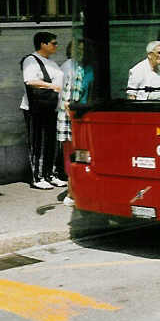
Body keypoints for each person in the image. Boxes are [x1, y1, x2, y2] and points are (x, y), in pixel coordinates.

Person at [20, 31, 64, 190]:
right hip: (36, 109)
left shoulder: (50, 62)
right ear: (43, 44)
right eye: (53, 43)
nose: (56, 46)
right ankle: (37, 177)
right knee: (38, 142)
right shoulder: (31, 61)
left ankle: (50, 174)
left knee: (51, 142)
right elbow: (30, 80)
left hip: (51, 107)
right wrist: (51, 86)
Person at [57, 39, 93, 207]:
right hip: (71, 116)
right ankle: (71, 193)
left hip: (87, 116)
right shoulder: (68, 67)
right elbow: (63, 96)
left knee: (84, 155)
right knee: (71, 155)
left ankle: (83, 191)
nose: (82, 52)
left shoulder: (89, 68)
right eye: (78, 49)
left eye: (85, 49)